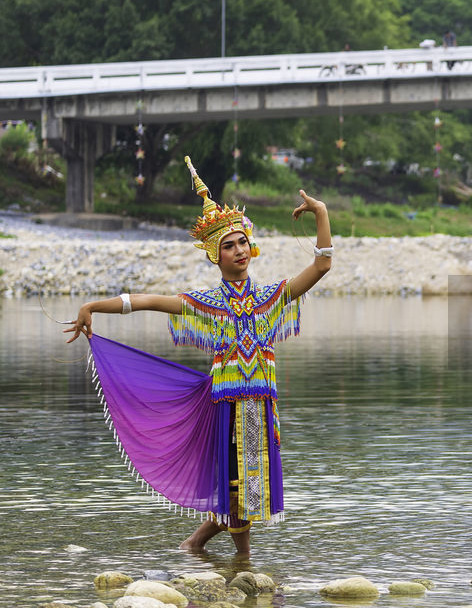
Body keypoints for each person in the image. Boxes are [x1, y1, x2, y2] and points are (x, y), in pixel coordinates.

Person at [65, 158, 332, 555]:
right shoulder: (205, 304)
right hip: (227, 406)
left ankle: (200, 549)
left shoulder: (272, 297)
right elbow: (147, 301)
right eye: (229, 245)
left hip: (260, 403)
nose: (239, 250)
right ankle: (239, 561)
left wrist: (322, 212)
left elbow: (322, 264)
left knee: (245, 488)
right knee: (242, 486)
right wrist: (93, 307)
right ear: (215, 256)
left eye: (242, 241)